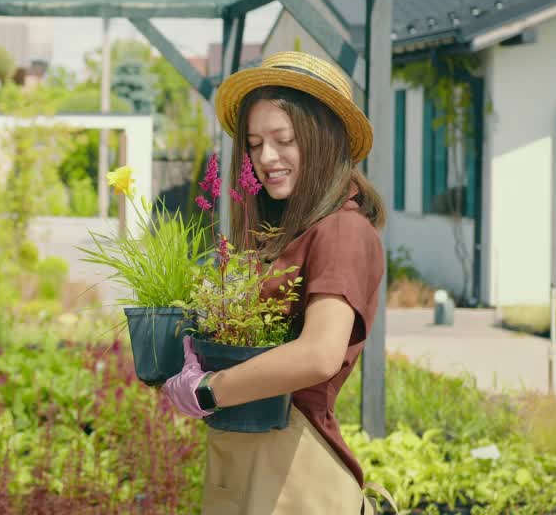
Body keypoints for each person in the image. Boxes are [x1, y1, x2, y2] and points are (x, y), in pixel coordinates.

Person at [161, 51, 391, 514]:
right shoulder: (284, 232)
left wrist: (209, 388)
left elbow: (319, 353)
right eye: (253, 144)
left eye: (283, 140)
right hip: (249, 461)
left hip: (295, 471)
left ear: (324, 138)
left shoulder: (342, 231)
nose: (266, 158)